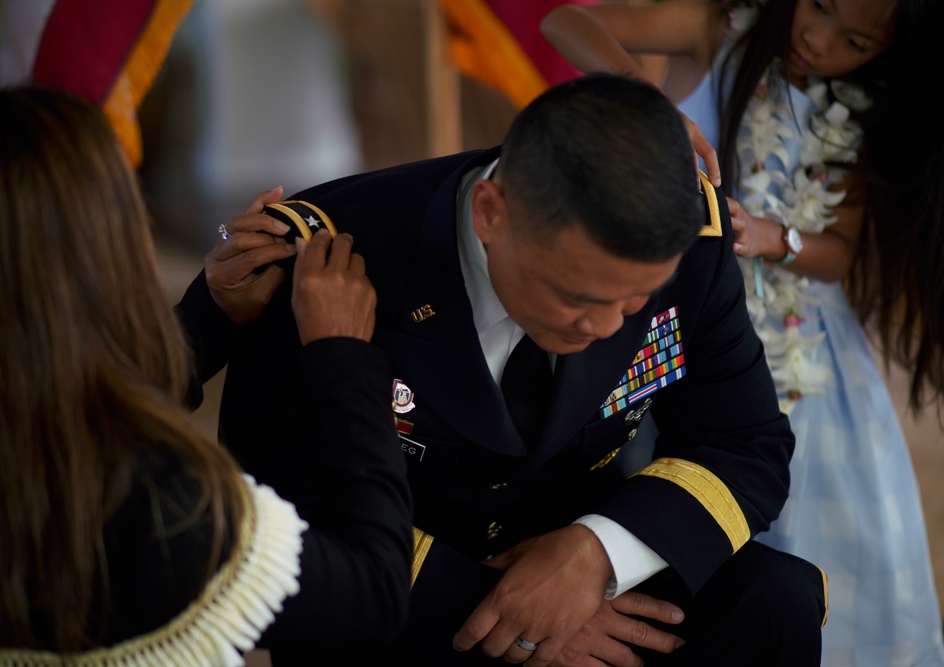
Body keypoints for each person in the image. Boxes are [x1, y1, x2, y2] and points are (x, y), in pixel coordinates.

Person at [193, 72, 828, 666]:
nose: (607, 326)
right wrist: (521, 617)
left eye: (633, 302)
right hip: (398, 591)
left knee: (774, 601)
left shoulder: (688, 244)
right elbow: (275, 516)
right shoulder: (332, 258)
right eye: (577, 297)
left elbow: (744, 445)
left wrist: (595, 555)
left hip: (574, 549)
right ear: (490, 213)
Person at [541, 1, 944, 664]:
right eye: (816, 6)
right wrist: (644, 98)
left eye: (856, 40)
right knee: (650, 488)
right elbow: (564, 22)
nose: (817, 39)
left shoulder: (867, 112)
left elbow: (840, 251)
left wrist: (772, 236)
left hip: (799, 348)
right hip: (666, 324)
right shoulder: (717, 32)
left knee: (811, 518)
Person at [0, 86, 413, 664]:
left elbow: (60, 403)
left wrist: (209, 316)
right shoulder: (173, 512)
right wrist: (342, 357)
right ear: (106, 252)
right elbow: (373, 594)